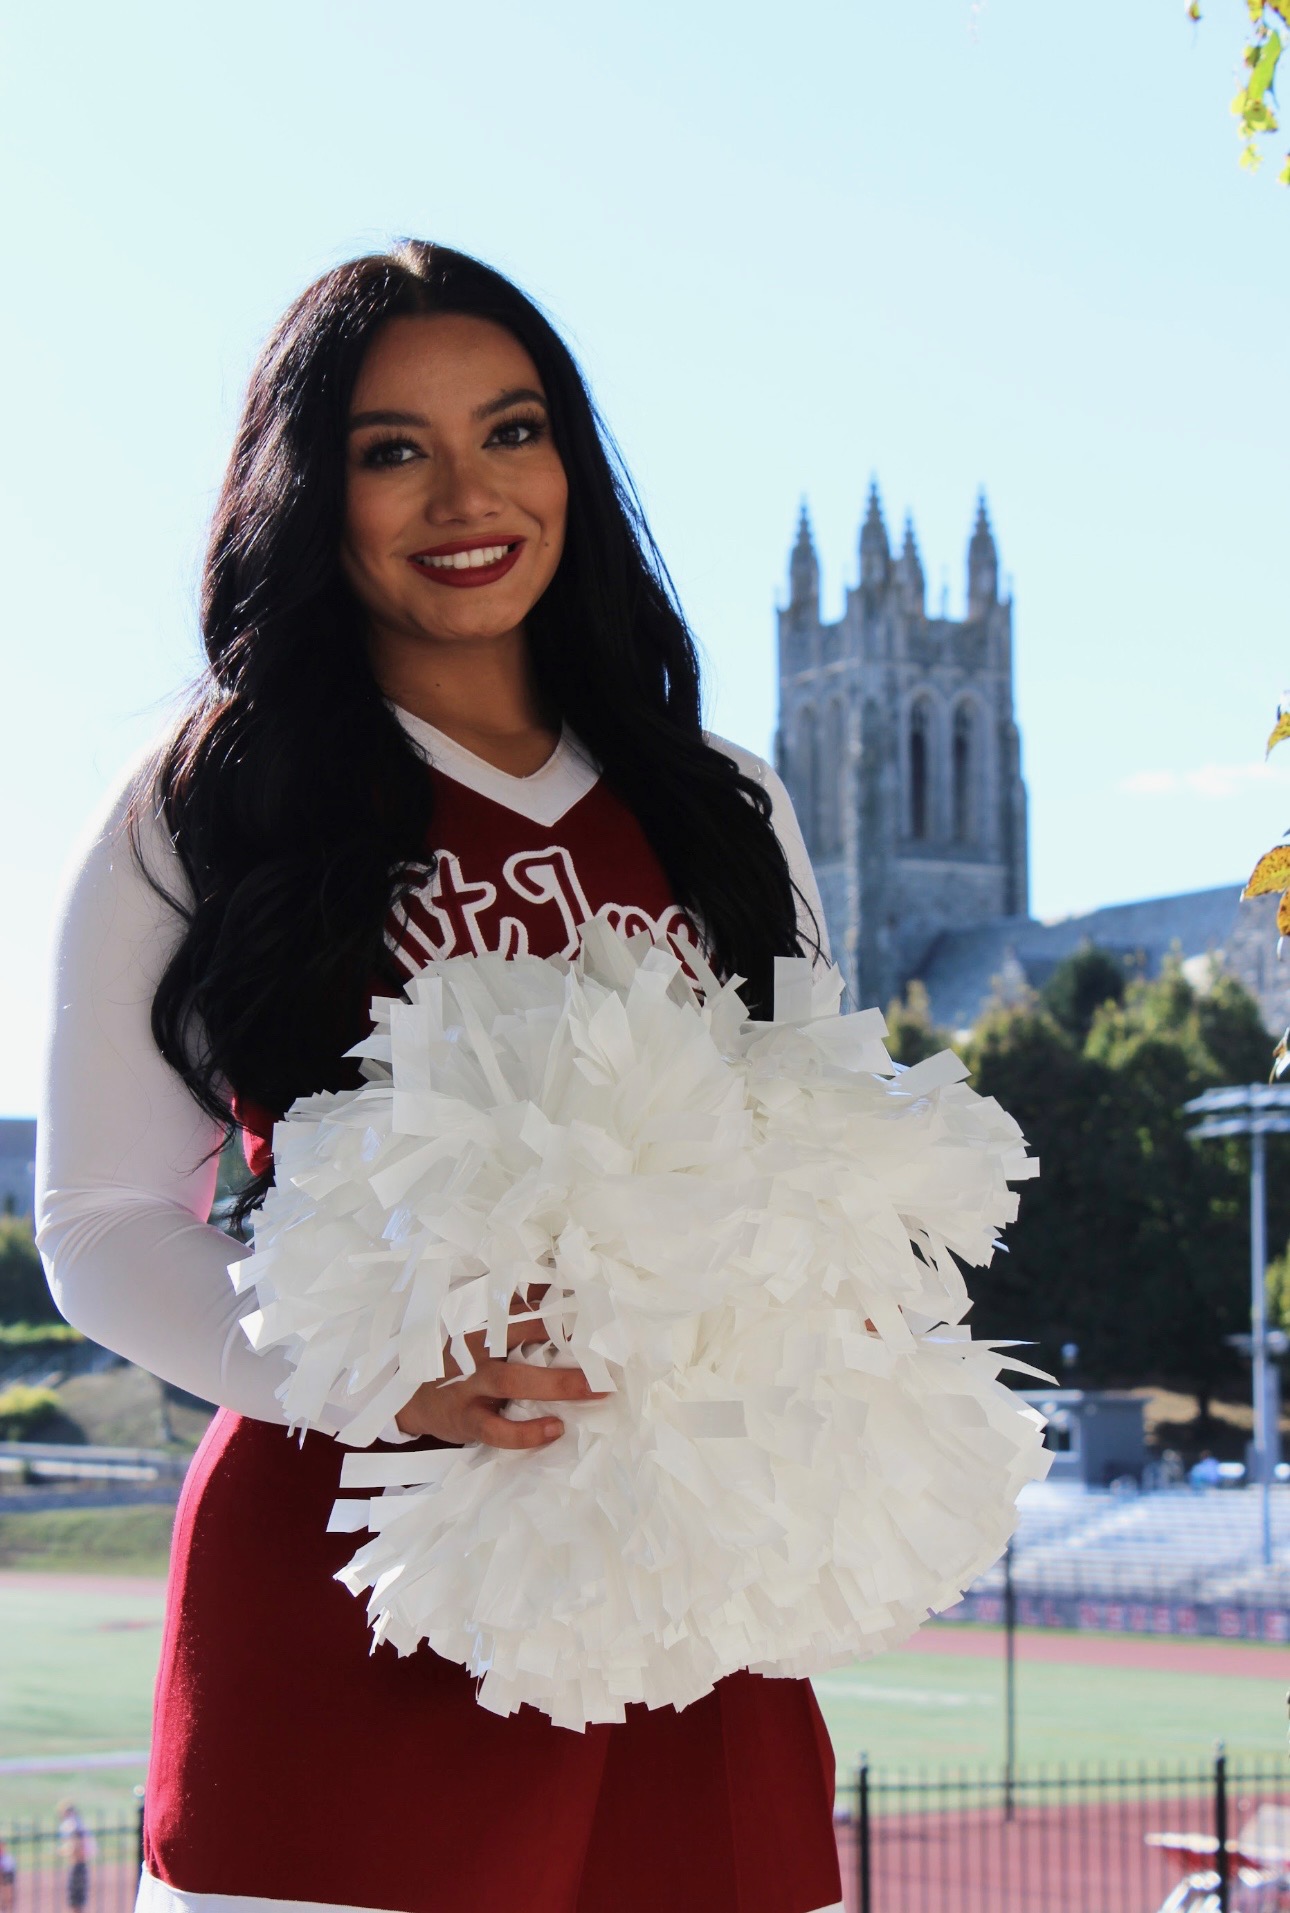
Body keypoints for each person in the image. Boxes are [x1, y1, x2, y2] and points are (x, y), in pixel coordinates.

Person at [36, 243, 843, 1913]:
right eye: (391, 448)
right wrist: (383, 1374)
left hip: (684, 1620)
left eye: (514, 430)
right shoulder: (205, 802)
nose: (465, 493)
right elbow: (102, 1224)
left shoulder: (725, 805)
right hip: (353, 1602)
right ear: (306, 487)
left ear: (572, 462)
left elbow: (818, 1168)